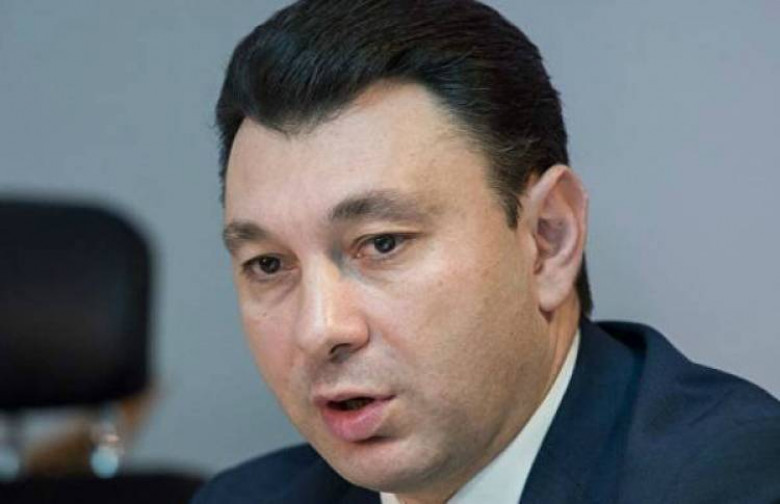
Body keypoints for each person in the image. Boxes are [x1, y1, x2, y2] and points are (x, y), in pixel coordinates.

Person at [192, 0, 780, 502]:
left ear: (548, 239)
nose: (319, 329)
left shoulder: (738, 481)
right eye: (268, 264)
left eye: (382, 243)